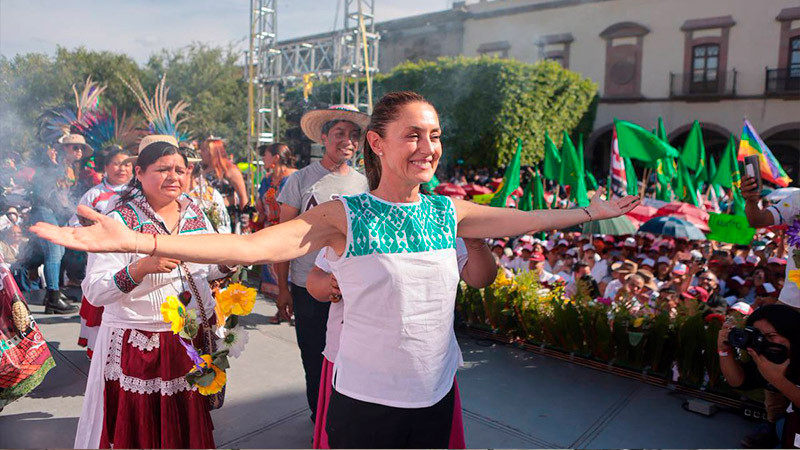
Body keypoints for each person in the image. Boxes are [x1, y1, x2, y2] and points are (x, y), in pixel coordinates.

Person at [31, 91, 638, 449]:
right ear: (378, 143)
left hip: (436, 392)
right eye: (412, 136)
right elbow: (261, 248)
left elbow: (522, 220)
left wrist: (596, 210)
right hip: (365, 399)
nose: (427, 147)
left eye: (434, 136)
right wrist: (137, 237)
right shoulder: (343, 214)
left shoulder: (450, 211)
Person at [72, 135, 234, 449]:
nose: (173, 176)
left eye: (179, 169)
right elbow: (94, 291)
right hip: (138, 347)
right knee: (140, 433)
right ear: (140, 173)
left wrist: (227, 264)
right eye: (162, 169)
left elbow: (205, 271)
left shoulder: (196, 215)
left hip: (186, 344)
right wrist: (141, 267)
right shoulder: (119, 221)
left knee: (182, 431)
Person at [306, 236, 496, 449]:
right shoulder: (352, 216)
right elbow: (315, 278)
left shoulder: (441, 218)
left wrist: (476, 243)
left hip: (423, 368)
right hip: (355, 367)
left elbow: (481, 278)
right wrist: (330, 284)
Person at [274, 104, 371, 422]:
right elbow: (282, 239)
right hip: (307, 288)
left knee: (352, 359)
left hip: (352, 290)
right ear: (325, 137)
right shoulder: (300, 181)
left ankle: (345, 419)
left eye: (354, 135)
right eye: (340, 133)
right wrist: (283, 289)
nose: (348, 141)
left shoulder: (366, 184)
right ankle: (320, 420)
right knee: (314, 360)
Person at [71, 146, 134, 358]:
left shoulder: (139, 193)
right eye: (116, 163)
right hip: (103, 262)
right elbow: (75, 224)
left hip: (132, 259)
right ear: (106, 167)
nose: (122, 168)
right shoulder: (94, 195)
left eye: (127, 164)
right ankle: (100, 356)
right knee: (102, 307)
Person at [18, 135, 91, 314]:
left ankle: (51, 289)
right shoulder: (51, 163)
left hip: (56, 214)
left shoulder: (72, 167)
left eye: (80, 147)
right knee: (54, 252)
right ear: (63, 148)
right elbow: (41, 186)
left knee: (56, 251)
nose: (79, 151)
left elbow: (66, 196)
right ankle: (53, 297)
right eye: (74, 147)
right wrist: (52, 163)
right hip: (43, 210)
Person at [718, 304, 800, 448]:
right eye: (759, 336)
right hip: (790, 428)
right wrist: (724, 351)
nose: (764, 342)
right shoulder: (769, 355)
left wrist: (779, 380)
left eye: (771, 336)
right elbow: (738, 381)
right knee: (781, 425)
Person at [254, 143, 297, 317]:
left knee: (292, 273)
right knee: (274, 273)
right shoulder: (266, 180)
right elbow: (261, 207)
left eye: (266, 155)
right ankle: (281, 309)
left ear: (276, 158)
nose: (263, 159)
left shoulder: (295, 178)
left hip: (290, 231)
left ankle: (295, 310)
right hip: (271, 232)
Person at [181, 145, 231, 234]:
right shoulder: (168, 195)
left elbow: (223, 228)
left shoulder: (211, 195)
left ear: (190, 168)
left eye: (179, 168)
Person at [199, 137, 249, 224]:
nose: (200, 153)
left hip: (226, 216)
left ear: (212, 152)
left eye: (204, 150)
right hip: (205, 217)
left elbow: (243, 196)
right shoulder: (201, 170)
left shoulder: (230, 170)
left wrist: (245, 219)